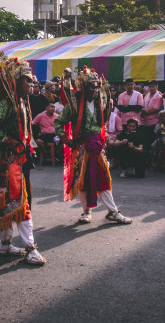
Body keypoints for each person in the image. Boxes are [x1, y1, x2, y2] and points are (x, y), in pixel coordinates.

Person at [0, 54, 45, 265]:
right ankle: (30, 248)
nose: (32, 83)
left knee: (10, 203)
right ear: (17, 82)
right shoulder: (9, 103)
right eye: (28, 80)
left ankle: (6, 245)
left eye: (33, 80)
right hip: (9, 163)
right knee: (20, 204)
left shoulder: (24, 102)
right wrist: (5, 139)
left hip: (18, 159)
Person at [54, 66, 132, 226]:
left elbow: (104, 118)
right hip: (82, 147)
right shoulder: (74, 105)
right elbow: (58, 122)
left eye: (97, 85)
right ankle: (86, 212)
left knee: (103, 178)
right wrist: (66, 139)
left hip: (97, 146)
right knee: (82, 180)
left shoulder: (100, 103)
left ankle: (113, 211)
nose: (96, 89)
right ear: (83, 87)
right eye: (92, 86)